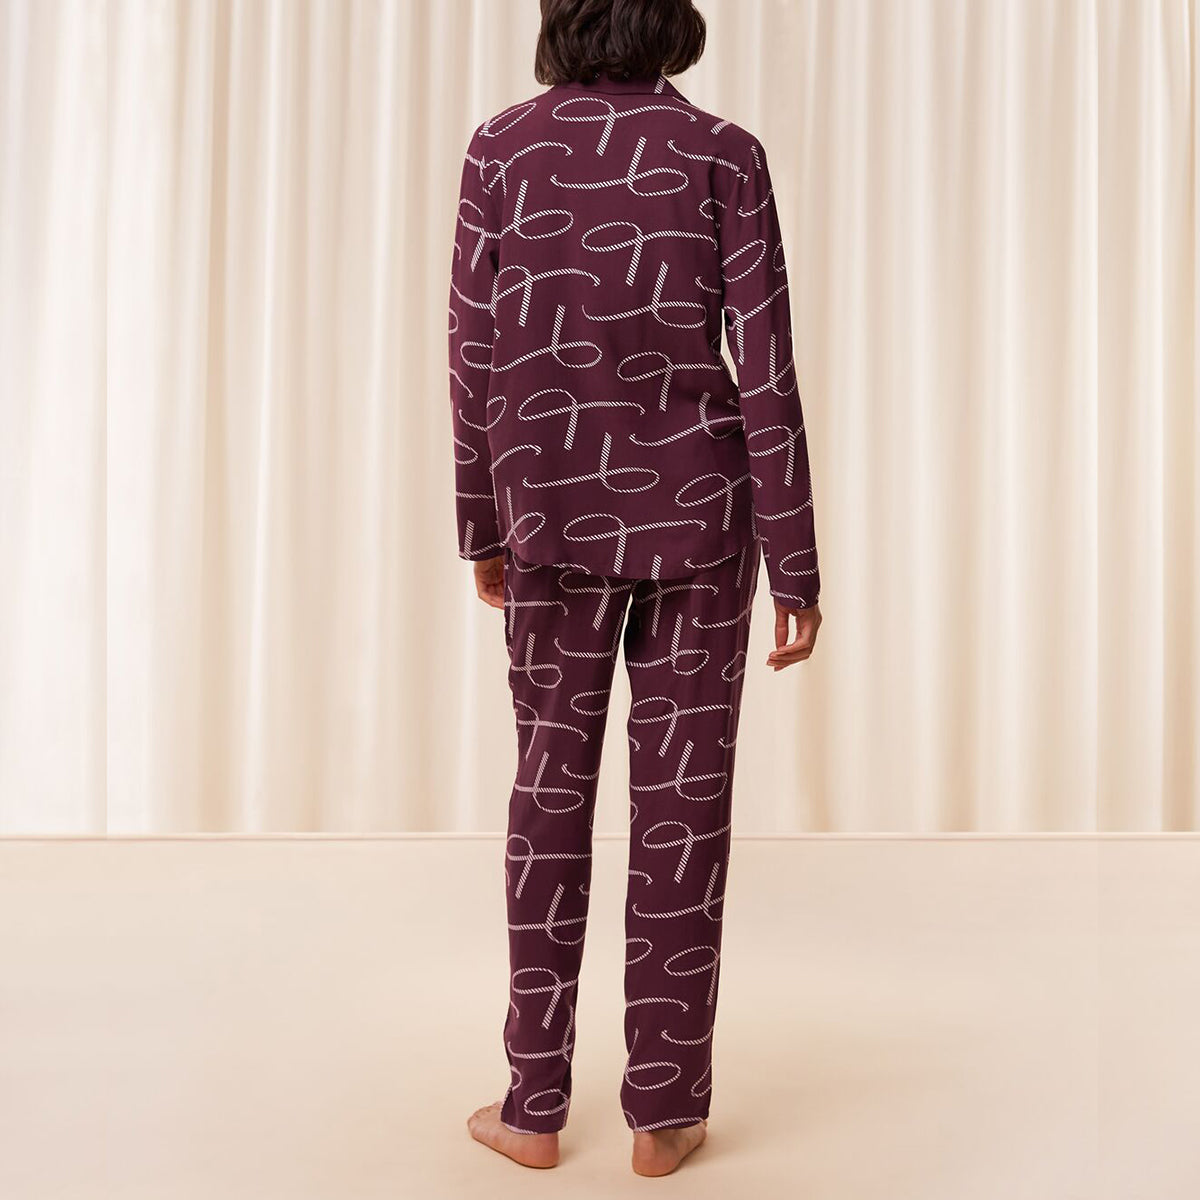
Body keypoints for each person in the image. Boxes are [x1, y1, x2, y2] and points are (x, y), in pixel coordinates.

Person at [449, 0, 822, 1177]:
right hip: (702, 517)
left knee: (547, 796)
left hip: (551, 511)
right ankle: (663, 1116)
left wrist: (483, 523)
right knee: (682, 812)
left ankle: (533, 1106)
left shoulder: (501, 149)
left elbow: (473, 353)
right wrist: (796, 559)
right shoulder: (725, 154)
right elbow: (765, 362)